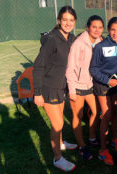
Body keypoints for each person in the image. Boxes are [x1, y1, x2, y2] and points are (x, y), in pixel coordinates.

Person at [33, 6, 78, 172]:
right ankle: (58, 158)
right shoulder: (52, 39)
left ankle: (60, 143)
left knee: (58, 122)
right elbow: (38, 66)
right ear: (59, 20)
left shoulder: (70, 38)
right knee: (58, 123)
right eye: (64, 20)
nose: (67, 23)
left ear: (74, 22)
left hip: (61, 88)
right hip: (48, 88)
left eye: (71, 20)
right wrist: (37, 93)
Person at [89, 17, 117, 166]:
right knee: (106, 115)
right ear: (108, 30)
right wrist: (107, 80)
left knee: (114, 112)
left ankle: (115, 139)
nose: (115, 33)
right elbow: (93, 69)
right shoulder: (100, 47)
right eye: (112, 29)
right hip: (102, 85)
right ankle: (102, 150)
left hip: (115, 84)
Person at [66, 15, 104, 160]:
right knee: (78, 116)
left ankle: (92, 138)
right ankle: (82, 147)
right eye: (94, 27)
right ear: (88, 28)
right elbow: (70, 68)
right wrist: (72, 90)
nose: (97, 30)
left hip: (91, 85)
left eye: (100, 27)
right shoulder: (79, 43)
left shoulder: (100, 41)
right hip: (78, 85)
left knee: (96, 111)